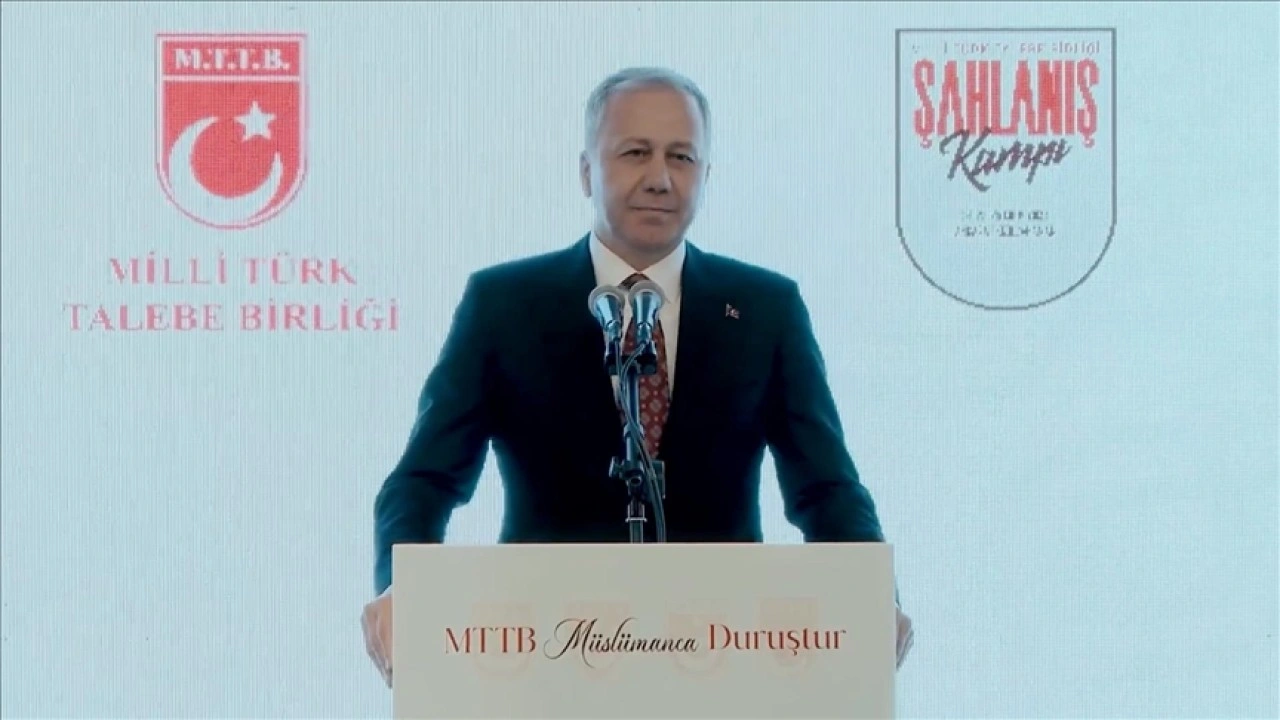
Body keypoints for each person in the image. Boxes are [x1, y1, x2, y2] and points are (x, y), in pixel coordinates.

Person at [361, 66, 913, 686]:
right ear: (586, 171)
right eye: (635, 153)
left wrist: (874, 594)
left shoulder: (764, 308)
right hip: (547, 661)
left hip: (722, 661)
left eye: (682, 157)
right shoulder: (505, 303)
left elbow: (826, 489)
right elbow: (424, 480)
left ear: (706, 174)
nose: (659, 177)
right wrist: (401, 587)